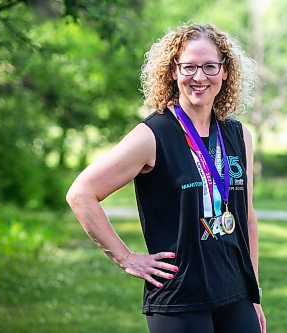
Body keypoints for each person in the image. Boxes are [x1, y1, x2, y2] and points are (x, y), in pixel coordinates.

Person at [66, 23, 266, 333]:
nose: (199, 77)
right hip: (179, 298)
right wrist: (126, 258)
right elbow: (81, 194)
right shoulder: (153, 135)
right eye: (189, 66)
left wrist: (254, 294)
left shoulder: (239, 135)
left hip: (235, 294)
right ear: (173, 71)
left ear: (225, 72)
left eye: (210, 66)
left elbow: (247, 220)